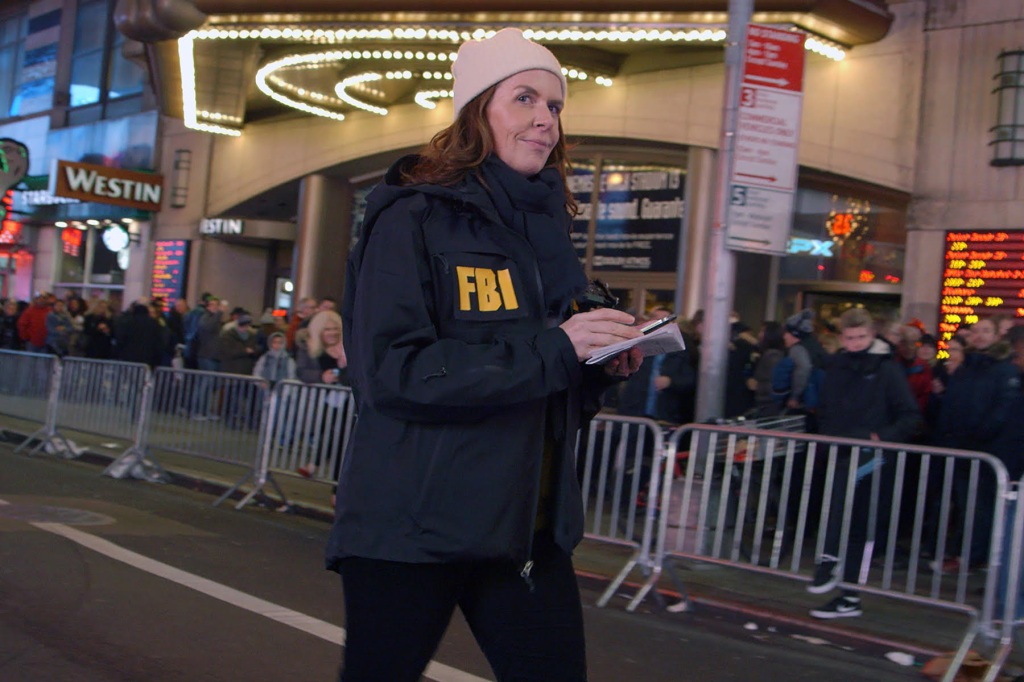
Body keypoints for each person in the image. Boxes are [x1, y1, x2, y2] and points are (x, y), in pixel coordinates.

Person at [327, 28, 643, 682]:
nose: (545, 120)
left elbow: (544, 383)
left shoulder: (545, 230)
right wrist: (557, 349)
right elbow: (394, 371)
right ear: (476, 111)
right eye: (524, 97)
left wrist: (599, 367)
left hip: (523, 528)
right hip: (412, 529)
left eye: (555, 106)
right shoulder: (410, 217)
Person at [806, 307, 921, 619]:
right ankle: (845, 589)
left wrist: (878, 437)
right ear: (842, 338)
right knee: (844, 518)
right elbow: (826, 406)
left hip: (873, 457)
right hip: (842, 451)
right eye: (850, 337)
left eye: (860, 337)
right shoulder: (838, 366)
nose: (855, 342)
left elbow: (909, 415)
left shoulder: (887, 368)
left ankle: (846, 588)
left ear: (871, 336)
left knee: (857, 525)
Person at [295, 310, 350, 479]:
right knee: (331, 435)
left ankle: (332, 483)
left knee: (342, 438)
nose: (332, 333)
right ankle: (317, 467)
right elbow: (302, 372)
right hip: (324, 401)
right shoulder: (309, 348)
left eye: (335, 328)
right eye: (327, 329)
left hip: (349, 401)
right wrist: (321, 377)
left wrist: (347, 364)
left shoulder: (348, 347)